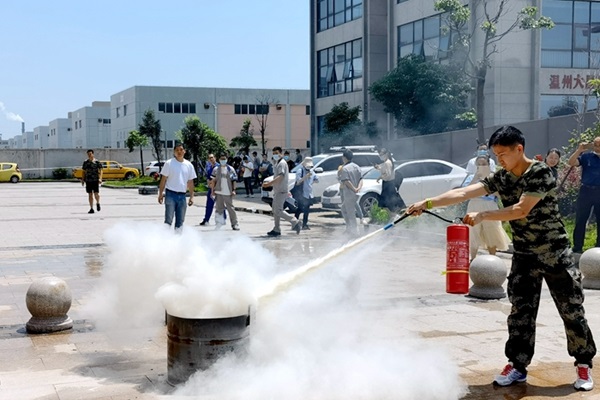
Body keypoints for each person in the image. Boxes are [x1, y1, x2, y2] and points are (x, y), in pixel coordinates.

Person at [407, 126, 596, 391]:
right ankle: (517, 366)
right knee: (520, 313)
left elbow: (521, 209)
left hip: (554, 252)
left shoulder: (539, 172)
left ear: (519, 149)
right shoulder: (502, 177)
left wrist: (484, 215)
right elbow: (464, 192)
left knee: (571, 310)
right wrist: (427, 203)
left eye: (503, 154)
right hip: (524, 254)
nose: (500, 160)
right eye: (496, 155)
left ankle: (583, 363)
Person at [463, 155, 510, 260]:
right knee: (473, 231)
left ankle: (492, 258)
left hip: (490, 205)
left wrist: (488, 184)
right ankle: (472, 258)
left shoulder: (494, 178)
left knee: (491, 231)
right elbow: (465, 192)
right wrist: (475, 178)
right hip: (474, 205)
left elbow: (501, 194)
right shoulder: (471, 178)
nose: (481, 166)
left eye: (484, 164)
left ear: (489, 165)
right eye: (479, 164)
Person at [568, 137, 600, 254]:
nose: (597, 147)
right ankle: (577, 247)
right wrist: (579, 150)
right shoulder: (587, 157)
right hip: (586, 191)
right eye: (595, 144)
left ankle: (598, 247)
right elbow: (571, 162)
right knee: (580, 219)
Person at [262, 146, 302, 237]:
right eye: (274, 153)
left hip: (281, 190)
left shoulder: (282, 163)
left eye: (276, 153)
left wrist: (269, 184)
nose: (275, 155)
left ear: (281, 153)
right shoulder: (277, 163)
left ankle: (295, 221)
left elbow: (281, 176)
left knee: (278, 210)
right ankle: (276, 229)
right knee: (275, 210)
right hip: (278, 190)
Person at [158, 143, 197, 231]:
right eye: (177, 150)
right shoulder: (169, 163)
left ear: (184, 151)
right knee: (168, 220)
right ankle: (165, 237)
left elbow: (190, 182)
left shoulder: (189, 165)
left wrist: (192, 197)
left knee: (180, 221)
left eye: (181, 150)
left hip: (182, 196)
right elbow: (163, 180)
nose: (179, 152)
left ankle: (178, 238)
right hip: (170, 194)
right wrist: (160, 194)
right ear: (174, 152)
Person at [210, 154, 240, 231]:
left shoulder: (230, 169)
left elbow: (234, 181)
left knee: (231, 209)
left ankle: (235, 224)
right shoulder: (216, 169)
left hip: (228, 192)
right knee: (218, 209)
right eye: (221, 159)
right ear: (219, 160)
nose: (223, 161)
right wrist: (212, 191)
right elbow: (213, 181)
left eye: (224, 159)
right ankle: (218, 223)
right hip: (219, 191)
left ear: (226, 160)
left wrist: (234, 190)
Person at [339, 149, 363, 237]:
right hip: (356, 193)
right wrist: (358, 188)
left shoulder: (345, 169)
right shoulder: (357, 167)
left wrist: (354, 189)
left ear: (344, 157)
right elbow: (361, 179)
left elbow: (346, 181)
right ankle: (349, 228)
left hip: (349, 193)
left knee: (350, 212)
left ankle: (354, 232)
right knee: (344, 209)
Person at [199, 154, 226, 226]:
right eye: (209, 158)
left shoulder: (219, 167)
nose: (211, 159)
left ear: (215, 158)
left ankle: (223, 219)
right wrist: (209, 184)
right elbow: (208, 178)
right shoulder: (209, 167)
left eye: (212, 157)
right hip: (211, 188)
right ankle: (206, 219)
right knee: (209, 205)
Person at [294, 157, 319, 230]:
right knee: (300, 209)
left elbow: (317, 180)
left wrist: (313, 180)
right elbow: (298, 182)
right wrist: (305, 177)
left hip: (309, 193)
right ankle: (294, 223)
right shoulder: (300, 171)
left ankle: (305, 224)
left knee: (307, 209)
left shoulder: (312, 171)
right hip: (301, 193)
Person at [81, 149, 103, 214]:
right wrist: (82, 180)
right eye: (88, 154)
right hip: (88, 180)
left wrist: (100, 178)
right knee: (90, 194)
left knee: (96, 194)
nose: (89, 155)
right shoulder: (85, 162)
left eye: (90, 154)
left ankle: (98, 203)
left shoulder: (97, 162)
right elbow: (83, 171)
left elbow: (101, 170)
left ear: (93, 154)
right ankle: (91, 208)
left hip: (95, 180)